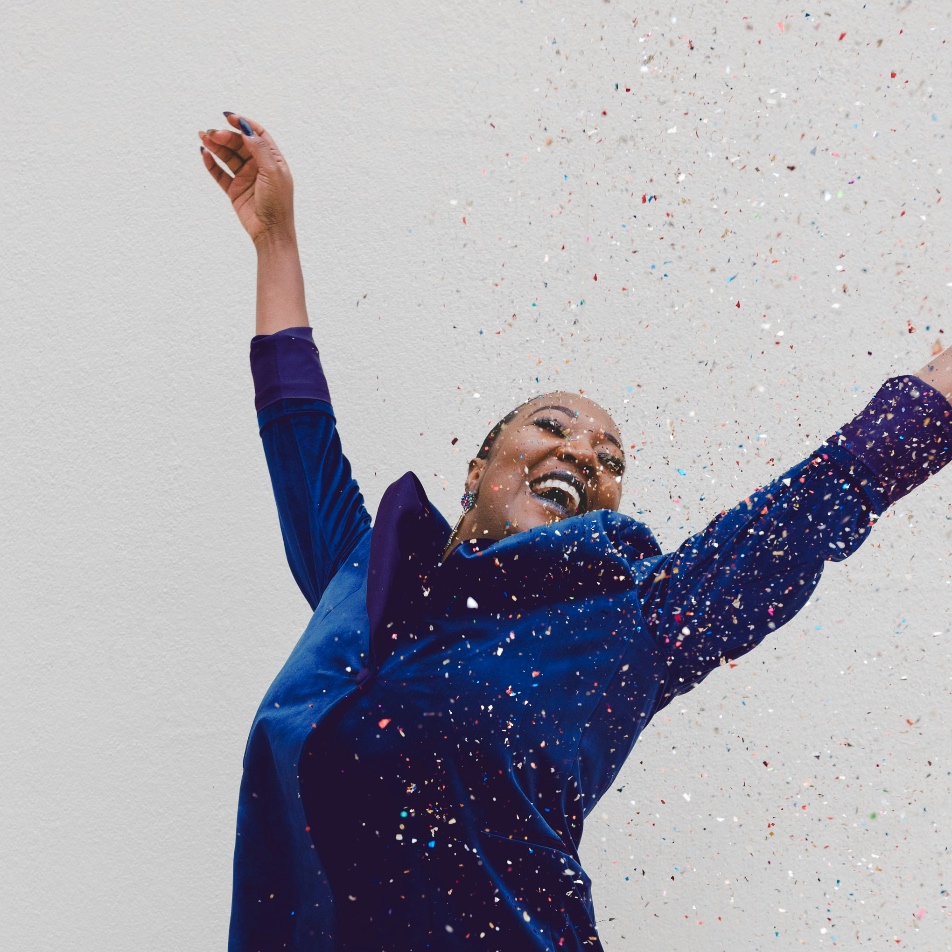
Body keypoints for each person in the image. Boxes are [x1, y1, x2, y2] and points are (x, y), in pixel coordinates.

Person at [200, 114, 952, 952]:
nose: (581, 452)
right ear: (483, 463)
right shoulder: (358, 576)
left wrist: (940, 389)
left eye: (610, 458)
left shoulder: (626, 626)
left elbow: (800, 517)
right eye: (553, 426)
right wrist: (276, 238)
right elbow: (297, 425)